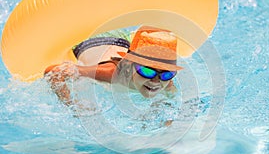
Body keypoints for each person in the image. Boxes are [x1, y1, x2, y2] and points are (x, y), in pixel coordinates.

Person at [44, 26, 183, 106]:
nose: (156, 81)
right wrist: (72, 106)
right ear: (128, 65)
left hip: (120, 40)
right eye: (147, 71)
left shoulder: (166, 82)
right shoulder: (111, 74)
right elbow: (55, 71)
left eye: (167, 74)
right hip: (89, 37)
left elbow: (175, 102)